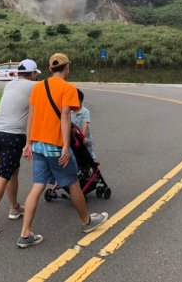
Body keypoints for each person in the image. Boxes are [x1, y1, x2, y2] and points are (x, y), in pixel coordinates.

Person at [17, 53, 108, 248]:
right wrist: (66, 146)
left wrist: (28, 143)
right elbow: (65, 116)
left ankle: (25, 234)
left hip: (39, 144)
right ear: (67, 67)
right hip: (55, 146)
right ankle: (86, 222)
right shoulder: (68, 88)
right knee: (74, 184)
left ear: (50, 69)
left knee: (37, 185)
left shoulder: (38, 86)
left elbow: (31, 116)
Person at [0, 59, 42, 235]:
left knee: (12, 171)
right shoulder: (34, 87)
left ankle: (14, 208)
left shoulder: (10, 85)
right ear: (33, 74)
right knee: (3, 174)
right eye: (36, 74)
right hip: (13, 136)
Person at [71, 89, 96, 161]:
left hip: (85, 138)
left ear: (80, 101)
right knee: (76, 154)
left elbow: (85, 125)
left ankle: (94, 166)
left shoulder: (85, 112)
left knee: (90, 153)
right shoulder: (69, 111)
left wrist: (82, 137)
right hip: (74, 138)